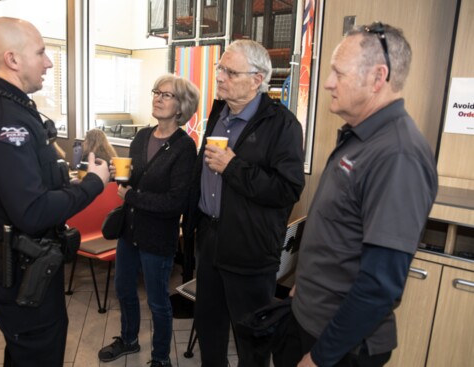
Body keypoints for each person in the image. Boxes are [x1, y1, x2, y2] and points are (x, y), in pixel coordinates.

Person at [0, 17, 110, 366]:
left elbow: (14, 188)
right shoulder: (4, 118)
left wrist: (58, 184)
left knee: (26, 353)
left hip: (23, 261)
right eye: (40, 52)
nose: (49, 62)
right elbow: (32, 211)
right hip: (23, 268)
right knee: (40, 354)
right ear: (13, 59)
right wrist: (92, 185)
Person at [285, 23, 438, 367]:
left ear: (377, 77)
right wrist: (305, 289)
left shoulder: (398, 154)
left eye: (338, 72)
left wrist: (321, 357)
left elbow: (379, 285)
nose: (328, 82)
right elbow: (340, 231)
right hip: (310, 319)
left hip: (340, 347)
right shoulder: (360, 137)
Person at [183, 39, 305, 367]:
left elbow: (287, 189)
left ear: (256, 79)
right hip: (210, 241)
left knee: (252, 341)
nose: (220, 77)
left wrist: (232, 167)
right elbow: (203, 169)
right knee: (210, 330)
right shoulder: (219, 112)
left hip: (250, 250)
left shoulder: (283, 125)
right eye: (219, 69)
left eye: (230, 72)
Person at [98, 74, 199, 367]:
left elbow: (175, 203)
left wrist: (131, 197)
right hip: (129, 232)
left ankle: (160, 358)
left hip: (157, 237)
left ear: (182, 106)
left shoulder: (184, 147)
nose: (158, 97)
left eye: (166, 95)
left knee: (157, 302)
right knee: (124, 290)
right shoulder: (142, 136)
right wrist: (120, 176)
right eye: (157, 92)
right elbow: (134, 181)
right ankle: (129, 340)